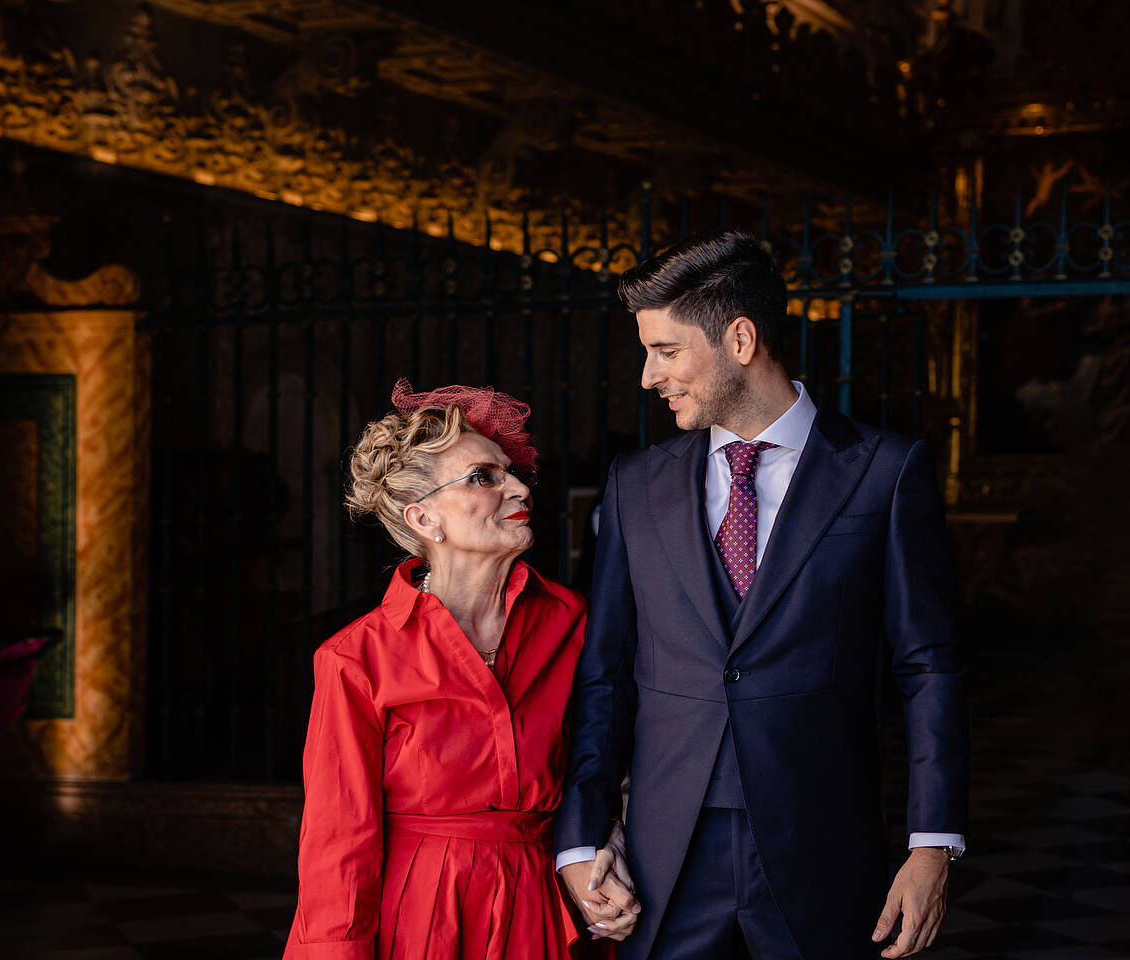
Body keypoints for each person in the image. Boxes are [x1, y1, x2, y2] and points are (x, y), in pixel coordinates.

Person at [554, 232, 969, 959]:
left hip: (824, 845)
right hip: (664, 856)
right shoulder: (634, 485)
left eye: (667, 350)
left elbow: (928, 666)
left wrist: (932, 843)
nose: (649, 376)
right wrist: (582, 837)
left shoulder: (886, 473)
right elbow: (605, 672)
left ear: (739, 338)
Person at [282, 381, 593, 960]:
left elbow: (607, 761)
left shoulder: (571, 622)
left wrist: (604, 845)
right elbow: (338, 843)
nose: (519, 487)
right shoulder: (357, 661)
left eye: (510, 472)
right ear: (424, 518)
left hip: (548, 907)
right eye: (484, 477)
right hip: (425, 915)